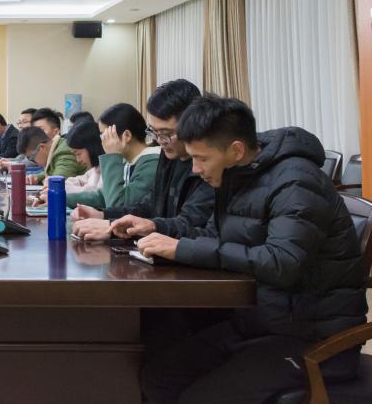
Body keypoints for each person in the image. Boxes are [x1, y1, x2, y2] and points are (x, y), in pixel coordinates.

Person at [138, 95, 367, 403]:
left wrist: (183, 250)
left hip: (310, 338)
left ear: (235, 149)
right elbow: (213, 235)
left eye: (201, 158)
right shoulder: (239, 174)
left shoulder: (296, 183)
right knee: (158, 375)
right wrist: (157, 233)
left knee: (199, 398)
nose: (195, 169)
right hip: (259, 323)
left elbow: (282, 263)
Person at [75, 79, 214, 242]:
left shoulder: (208, 167)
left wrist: (112, 227)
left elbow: (188, 224)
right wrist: (103, 214)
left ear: (191, 125)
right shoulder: (169, 156)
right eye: (154, 132)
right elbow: (149, 206)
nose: (160, 141)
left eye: (166, 133)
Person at [63, 103, 159, 212]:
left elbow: (117, 206)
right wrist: (60, 198)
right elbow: (103, 196)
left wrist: (112, 156)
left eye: (105, 135)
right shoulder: (128, 161)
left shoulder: (151, 163)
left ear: (127, 135)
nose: (102, 141)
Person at [31, 108, 84, 178]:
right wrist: (36, 178)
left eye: (40, 130)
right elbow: (51, 171)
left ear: (56, 132)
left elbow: (58, 179)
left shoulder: (65, 150)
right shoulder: (54, 147)